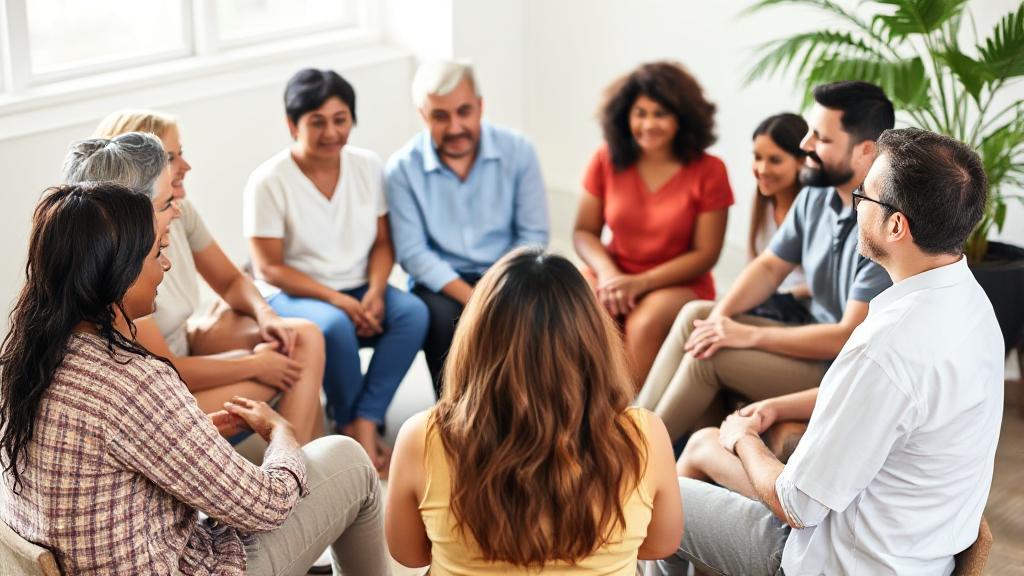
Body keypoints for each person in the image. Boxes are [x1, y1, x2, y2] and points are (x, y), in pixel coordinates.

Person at [655, 128, 1002, 576]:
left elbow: (795, 506)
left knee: (656, 493)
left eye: (863, 197)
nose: (854, 206)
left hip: (834, 562)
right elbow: (881, 403)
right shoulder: (972, 306)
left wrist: (744, 438)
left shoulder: (888, 347)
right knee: (702, 444)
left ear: (897, 226)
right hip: (917, 551)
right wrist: (771, 408)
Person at [0, 182, 387, 575]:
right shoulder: (135, 382)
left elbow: (102, 454)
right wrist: (283, 437)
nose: (165, 265)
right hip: (181, 565)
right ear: (119, 273)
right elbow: (266, 506)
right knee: (350, 460)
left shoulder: (26, 361)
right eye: (157, 253)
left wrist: (192, 432)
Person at [385, 248, 683, 574]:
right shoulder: (644, 433)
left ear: (477, 339)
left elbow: (409, 554)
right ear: (592, 340)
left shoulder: (422, 435)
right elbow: (660, 545)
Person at [636, 81, 894, 442]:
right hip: (807, 336)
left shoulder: (881, 225)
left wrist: (746, 334)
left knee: (709, 355)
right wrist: (719, 318)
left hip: (841, 368)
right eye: (809, 133)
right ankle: (628, 436)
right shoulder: (816, 198)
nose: (806, 146)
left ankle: (636, 463)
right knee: (697, 318)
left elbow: (844, 336)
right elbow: (770, 267)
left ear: (865, 151)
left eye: (821, 139)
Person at [92, 110, 324, 445]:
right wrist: (255, 364)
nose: (184, 167)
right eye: (171, 158)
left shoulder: (176, 212)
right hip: (164, 390)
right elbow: (164, 370)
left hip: (184, 344)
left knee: (301, 337)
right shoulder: (121, 260)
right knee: (291, 367)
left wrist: (265, 314)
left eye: (179, 154)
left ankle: (303, 461)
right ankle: (300, 473)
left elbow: (231, 280)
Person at [245, 68, 429, 474]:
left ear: (353, 119)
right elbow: (268, 266)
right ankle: (348, 422)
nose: (331, 131)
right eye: (317, 121)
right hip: (296, 292)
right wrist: (337, 300)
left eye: (340, 119)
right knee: (333, 326)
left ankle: (366, 416)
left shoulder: (367, 166)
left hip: (360, 284)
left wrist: (377, 291)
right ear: (293, 125)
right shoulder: (268, 181)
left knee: (414, 313)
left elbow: (384, 242)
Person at [386, 60, 550, 395]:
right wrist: (473, 297)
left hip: (508, 271)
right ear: (422, 115)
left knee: (538, 313)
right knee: (440, 316)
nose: (455, 126)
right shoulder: (401, 169)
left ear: (480, 106)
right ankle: (454, 415)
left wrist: (497, 288)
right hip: (442, 283)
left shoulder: (519, 152)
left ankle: (525, 413)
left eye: (464, 111)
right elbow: (414, 253)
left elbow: (533, 236)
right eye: (440, 116)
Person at [574, 62, 732, 387]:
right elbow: (584, 232)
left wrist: (641, 283)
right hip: (614, 272)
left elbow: (706, 254)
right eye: (639, 113)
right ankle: (574, 403)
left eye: (660, 113)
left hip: (677, 282)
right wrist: (609, 274)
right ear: (624, 116)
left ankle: (626, 418)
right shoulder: (605, 158)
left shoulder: (710, 170)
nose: (648, 124)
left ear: (682, 117)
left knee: (644, 322)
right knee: (577, 302)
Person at [748, 112, 809, 300]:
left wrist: (778, 298)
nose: (762, 169)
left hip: (801, 309)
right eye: (757, 157)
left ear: (801, 161)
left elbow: (823, 283)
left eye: (775, 160)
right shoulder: (763, 201)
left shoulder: (814, 209)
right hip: (768, 302)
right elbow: (753, 266)